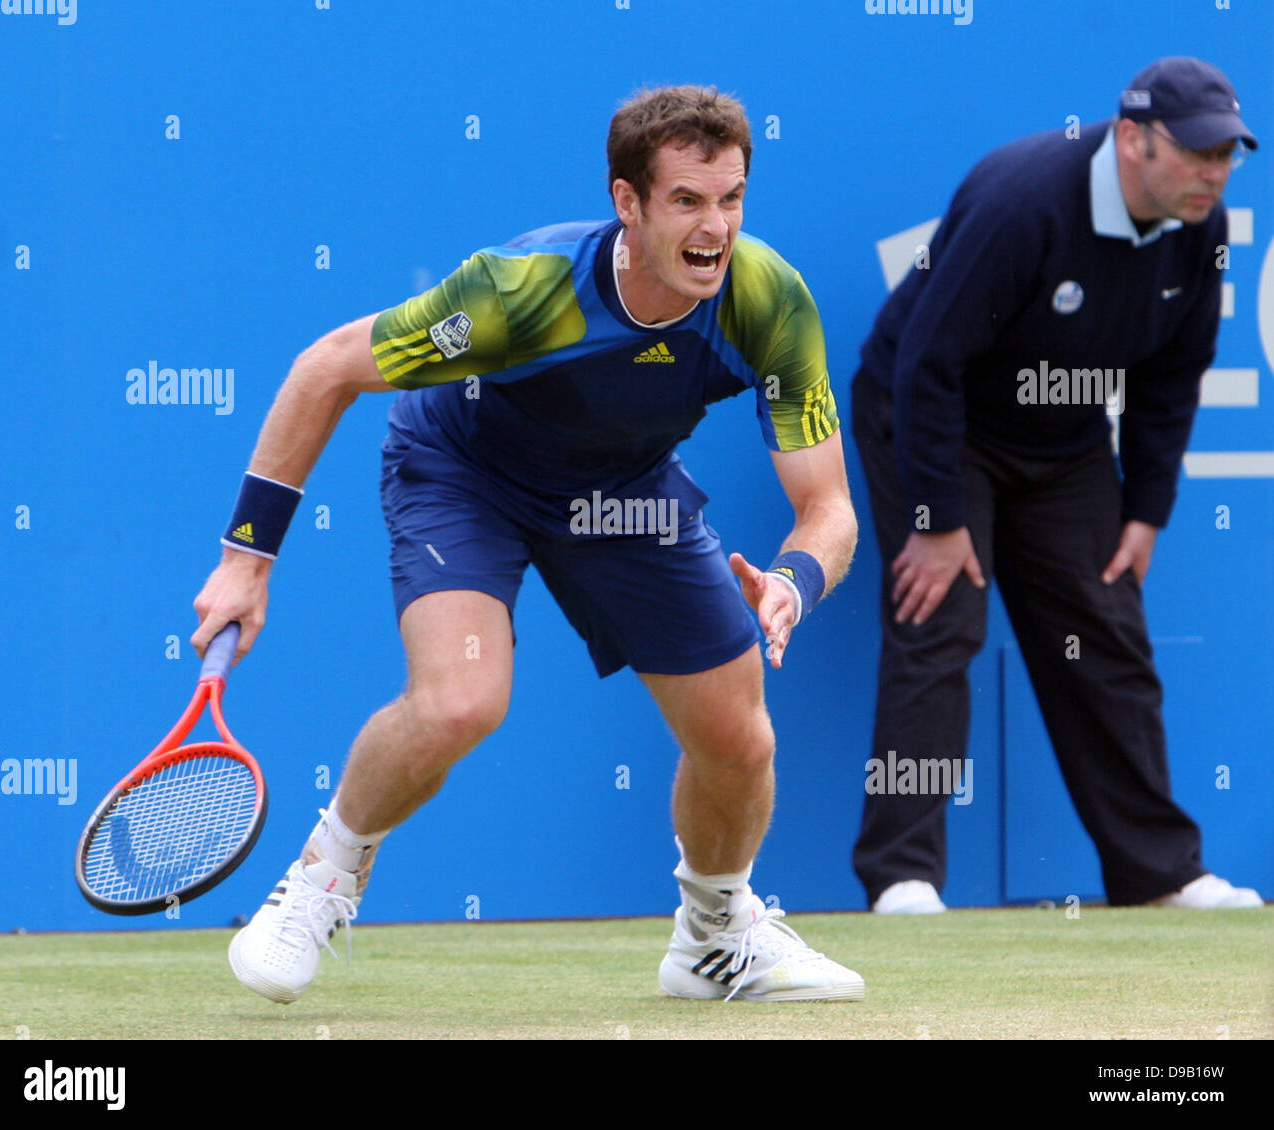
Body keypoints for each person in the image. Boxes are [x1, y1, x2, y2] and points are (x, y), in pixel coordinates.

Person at [192, 85, 866, 1003]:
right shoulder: (521, 290)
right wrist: (245, 559)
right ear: (627, 203)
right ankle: (321, 877)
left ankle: (715, 938)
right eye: (686, 201)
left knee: (739, 738)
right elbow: (326, 369)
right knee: (460, 703)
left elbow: (828, 508)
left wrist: (794, 581)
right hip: (467, 472)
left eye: (731, 198)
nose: (716, 227)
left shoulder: (766, 299)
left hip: (625, 490)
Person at [850, 57, 1263, 915]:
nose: (1212, 173)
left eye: (1226, 156)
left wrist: (1146, 510)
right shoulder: (1022, 200)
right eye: (1195, 153)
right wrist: (935, 516)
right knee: (940, 618)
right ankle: (903, 877)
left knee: (1105, 632)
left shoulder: (1204, 225)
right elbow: (926, 362)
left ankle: (1160, 874)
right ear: (1131, 140)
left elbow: (1172, 377)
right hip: (935, 418)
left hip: (1066, 443)